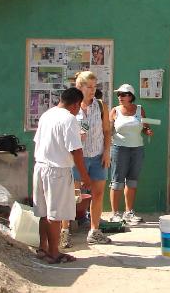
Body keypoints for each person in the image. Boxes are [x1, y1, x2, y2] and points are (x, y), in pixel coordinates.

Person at [32, 87, 91, 264]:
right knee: (55, 215)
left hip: (40, 166)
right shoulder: (69, 119)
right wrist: (84, 176)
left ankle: (43, 248)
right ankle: (54, 252)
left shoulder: (47, 115)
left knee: (44, 213)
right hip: (57, 170)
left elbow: (39, 141)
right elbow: (76, 151)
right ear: (76, 104)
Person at [69, 71, 112, 245]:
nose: (93, 90)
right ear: (79, 87)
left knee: (98, 194)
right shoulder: (72, 107)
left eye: (95, 87)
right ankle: (65, 230)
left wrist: (107, 152)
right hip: (76, 157)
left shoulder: (101, 106)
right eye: (89, 87)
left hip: (97, 156)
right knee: (72, 195)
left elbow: (107, 130)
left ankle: (94, 231)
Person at [109, 84, 153, 224]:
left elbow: (145, 127)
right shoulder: (114, 111)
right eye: (118, 94)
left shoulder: (140, 109)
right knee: (117, 182)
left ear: (130, 96)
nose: (120, 97)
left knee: (132, 181)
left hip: (137, 149)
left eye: (123, 94)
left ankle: (129, 212)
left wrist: (147, 131)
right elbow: (108, 130)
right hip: (119, 149)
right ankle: (115, 214)